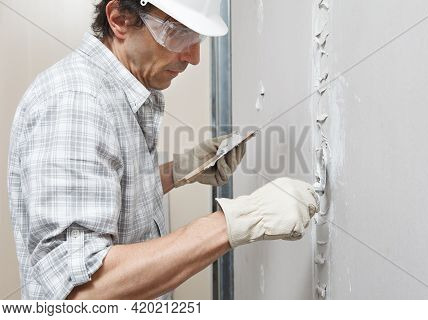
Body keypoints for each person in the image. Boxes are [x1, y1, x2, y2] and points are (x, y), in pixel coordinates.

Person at [7, 0, 319, 300]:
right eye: (179, 32)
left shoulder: (114, 92)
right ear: (119, 19)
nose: (193, 56)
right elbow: (77, 293)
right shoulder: (76, 102)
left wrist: (178, 171)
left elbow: (106, 195)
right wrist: (240, 220)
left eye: (196, 36)